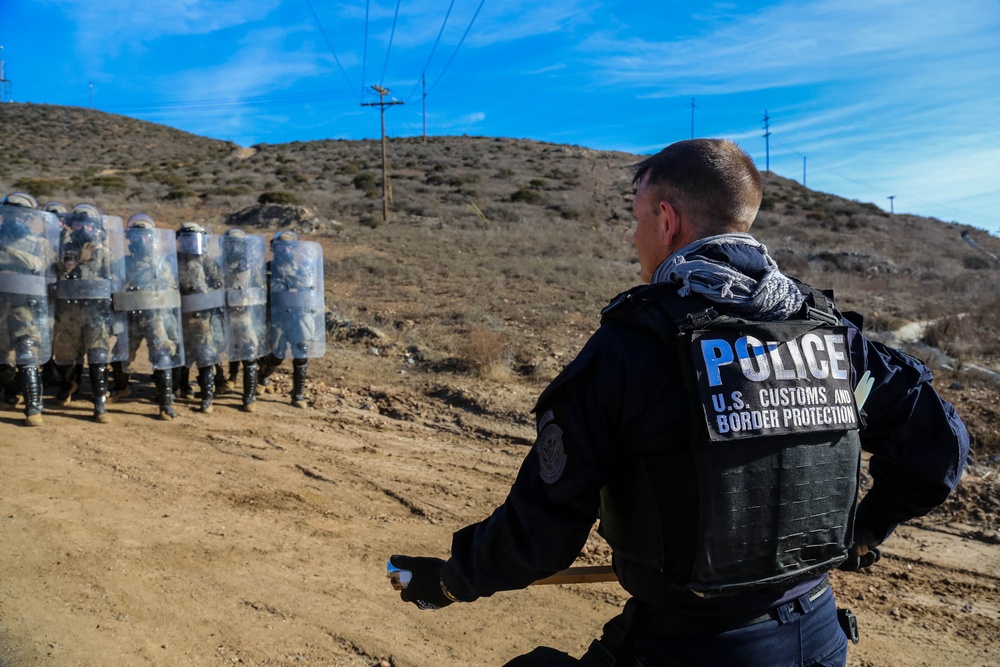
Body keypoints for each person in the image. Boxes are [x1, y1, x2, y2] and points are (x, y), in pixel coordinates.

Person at [389, 139, 969, 667]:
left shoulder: (630, 347)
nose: (631, 235)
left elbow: (541, 534)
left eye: (636, 218)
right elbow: (938, 447)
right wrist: (864, 530)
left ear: (667, 221)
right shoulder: (833, 336)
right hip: (819, 640)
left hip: (688, 650)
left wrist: (446, 581)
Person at [51, 203, 127, 423]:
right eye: (79, 224)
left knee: (98, 357)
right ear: (72, 226)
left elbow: (117, 282)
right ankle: (69, 385)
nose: (83, 228)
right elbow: (53, 276)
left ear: (95, 228)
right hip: (67, 313)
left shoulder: (104, 253)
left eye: (88, 224)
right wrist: (75, 262)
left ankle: (99, 405)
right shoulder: (61, 249)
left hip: (96, 312)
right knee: (65, 358)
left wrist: (116, 315)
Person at [110, 213, 184, 419]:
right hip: (131, 316)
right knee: (120, 356)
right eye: (136, 236)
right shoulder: (122, 262)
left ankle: (165, 403)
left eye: (145, 236)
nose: (140, 240)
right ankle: (122, 388)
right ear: (129, 238)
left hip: (155, 317)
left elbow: (169, 290)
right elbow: (115, 285)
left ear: (151, 239)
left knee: (162, 356)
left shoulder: (162, 264)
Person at [0, 192, 59, 426]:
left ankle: (33, 408)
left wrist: (9, 251)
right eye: (11, 215)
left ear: (28, 218)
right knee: (2, 357)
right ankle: (10, 393)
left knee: (26, 354)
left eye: (21, 216)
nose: (17, 220)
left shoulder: (39, 243)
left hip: (24, 304)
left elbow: (38, 265)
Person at [257, 230, 326, 408]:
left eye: (288, 248)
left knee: (302, 352)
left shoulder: (302, 269)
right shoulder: (266, 269)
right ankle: (262, 376)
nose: (285, 251)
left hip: (298, 315)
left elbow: (310, 287)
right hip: (276, 317)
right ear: (274, 249)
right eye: (281, 248)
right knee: (276, 356)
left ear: (293, 249)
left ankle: (298, 395)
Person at [175, 221, 226, 414]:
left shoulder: (206, 262)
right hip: (180, 315)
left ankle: (207, 398)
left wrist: (205, 295)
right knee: (181, 355)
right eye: (186, 239)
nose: (190, 243)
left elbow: (219, 286)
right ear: (180, 240)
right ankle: (180, 388)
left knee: (205, 355)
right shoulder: (174, 260)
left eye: (193, 239)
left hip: (202, 318)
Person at [221, 228, 268, 412]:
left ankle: (249, 397)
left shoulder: (251, 266)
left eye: (237, 244)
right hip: (222, 314)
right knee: (214, 350)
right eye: (230, 244)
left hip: (243, 314)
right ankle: (222, 381)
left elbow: (259, 287)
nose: (233, 248)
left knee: (249, 350)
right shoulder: (217, 264)